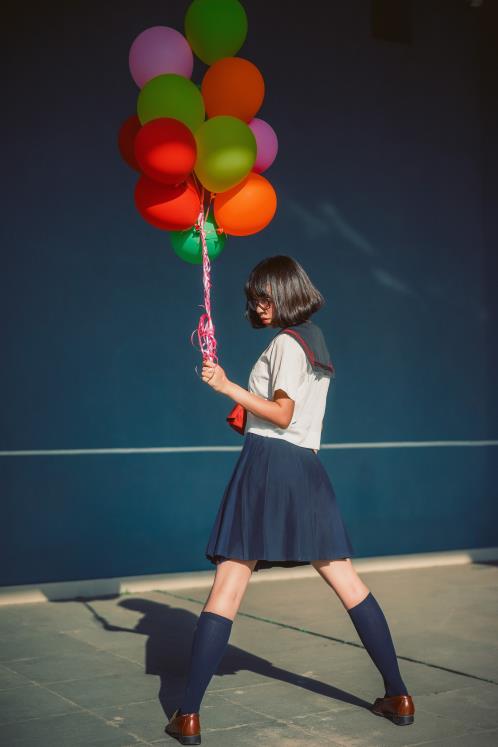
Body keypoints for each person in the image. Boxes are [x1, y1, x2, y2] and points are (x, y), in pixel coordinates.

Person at [165, 256, 415, 745]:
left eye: (263, 295)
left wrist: (226, 386)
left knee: (229, 585)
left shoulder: (284, 343)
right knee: (347, 581)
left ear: (283, 292)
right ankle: (399, 694)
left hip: (267, 465)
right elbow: (293, 418)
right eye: (253, 298)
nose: (256, 306)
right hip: (306, 469)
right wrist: (247, 410)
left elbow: (281, 414)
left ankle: (188, 714)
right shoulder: (314, 343)